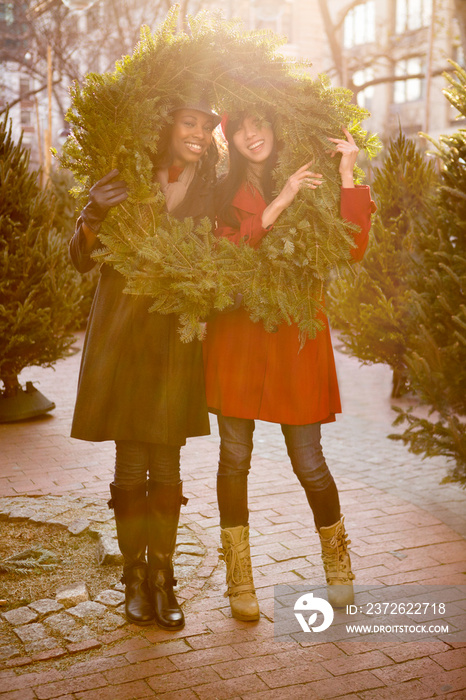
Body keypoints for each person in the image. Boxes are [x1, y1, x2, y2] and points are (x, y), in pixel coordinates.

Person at [203, 112, 376, 621]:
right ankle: (240, 581)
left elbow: (352, 246)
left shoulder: (311, 176)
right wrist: (280, 204)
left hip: (295, 339)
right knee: (234, 459)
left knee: (309, 462)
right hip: (238, 338)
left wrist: (346, 174)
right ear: (229, 139)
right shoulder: (218, 192)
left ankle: (339, 568)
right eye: (240, 128)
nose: (252, 134)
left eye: (261, 123)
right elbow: (220, 257)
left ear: (277, 127)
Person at [70, 102, 220, 630]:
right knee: (131, 462)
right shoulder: (126, 171)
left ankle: (163, 576)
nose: (199, 133)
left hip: (174, 339)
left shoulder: (212, 185)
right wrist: (92, 215)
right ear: (167, 126)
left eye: (207, 126)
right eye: (190, 123)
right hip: (124, 335)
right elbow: (81, 258)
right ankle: (134, 578)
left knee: (168, 461)